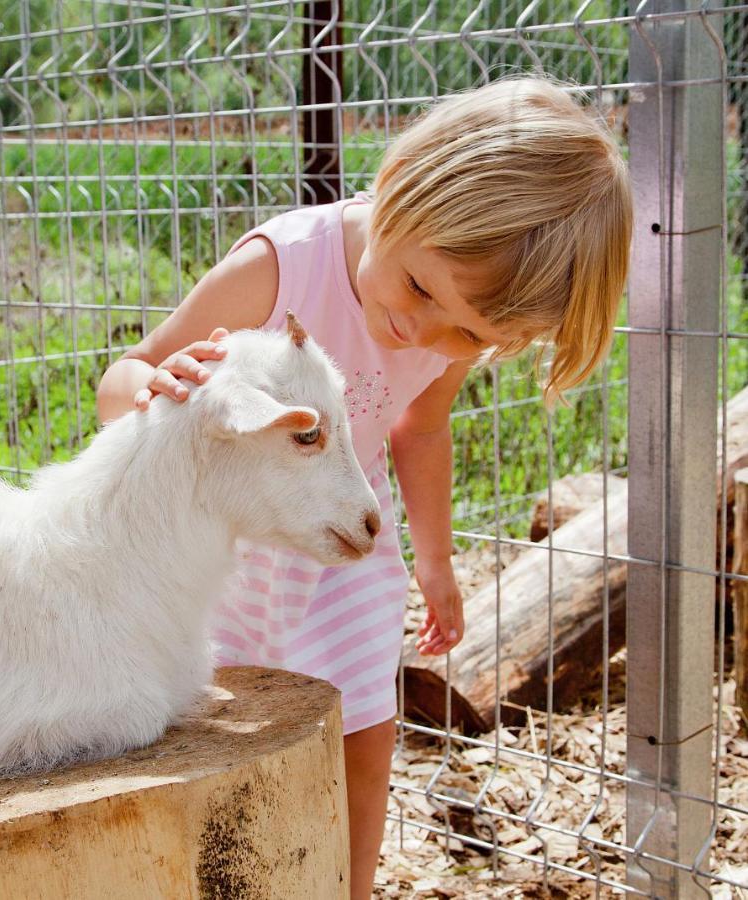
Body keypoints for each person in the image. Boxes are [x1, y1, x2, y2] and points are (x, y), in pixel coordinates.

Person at [95, 76, 631, 897]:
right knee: (203, 743)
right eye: (419, 289)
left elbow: (418, 428)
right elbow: (124, 375)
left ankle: (349, 886)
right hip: (227, 564)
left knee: (363, 736)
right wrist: (158, 392)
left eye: (469, 333)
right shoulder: (281, 267)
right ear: (399, 187)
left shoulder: (446, 326)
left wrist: (436, 562)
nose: (424, 332)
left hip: (342, 555)